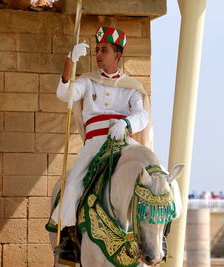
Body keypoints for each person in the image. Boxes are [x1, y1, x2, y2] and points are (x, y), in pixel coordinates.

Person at [46, 26, 151, 262]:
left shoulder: (132, 87)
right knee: (72, 187)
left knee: (154, 180)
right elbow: (65, 94)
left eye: (104, 50)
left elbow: (141, 115)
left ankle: (155, 239)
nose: (98, 54)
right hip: (94, 146)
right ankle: (68, 243)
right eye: (97, 50)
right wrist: (70, 60)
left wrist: (125, 123)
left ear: (117, 54)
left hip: (123, 143)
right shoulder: (87, 81)